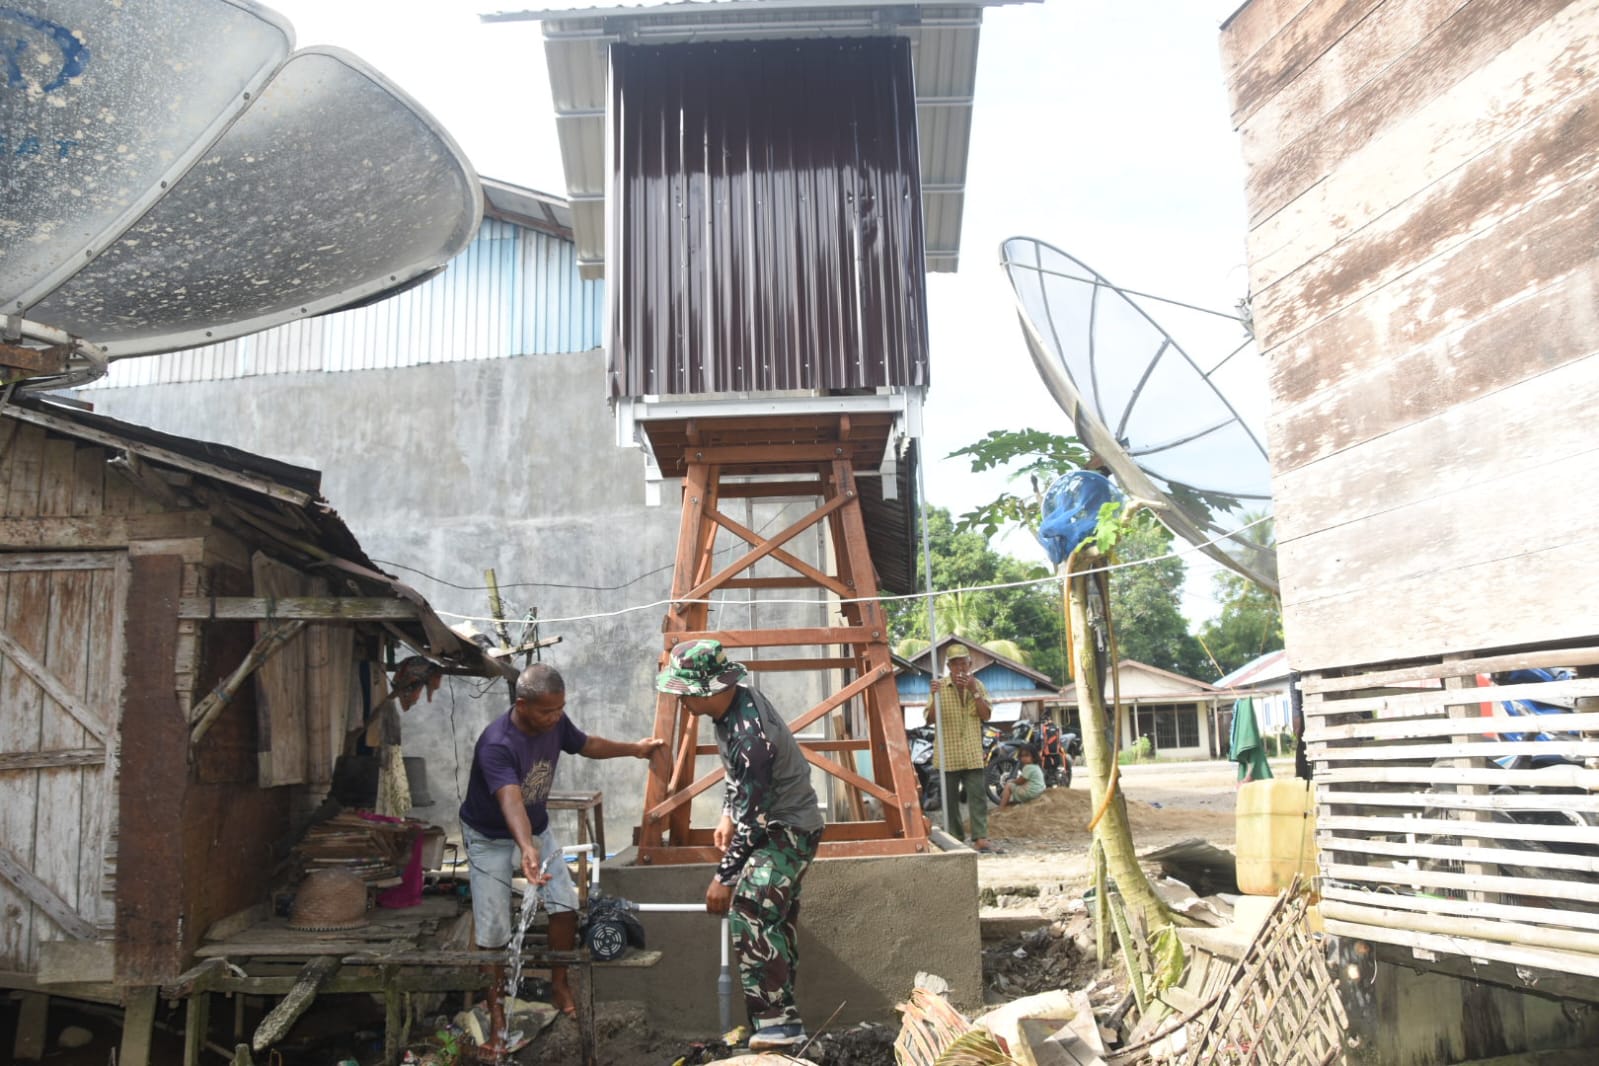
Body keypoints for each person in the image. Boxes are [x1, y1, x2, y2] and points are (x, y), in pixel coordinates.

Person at [458, 662, 663, 1055]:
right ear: (521, 705)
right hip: (488, 837)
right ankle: (497, 1011)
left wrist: (635, 750)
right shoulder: (497, 743)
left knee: (565, 904)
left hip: (535, 828)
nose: (555, 717)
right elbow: (511, 800)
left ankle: (559, 982)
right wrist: (527, 847)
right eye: (547, 711)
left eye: (560, 708)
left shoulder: (555, 722)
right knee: (494, 925)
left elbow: (587, 745)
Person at [656, 639, 824, 1053]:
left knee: (750, 909)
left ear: (709, 689)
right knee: (774, 919)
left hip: (787, 831)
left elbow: (755, 817)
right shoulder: (733, 708)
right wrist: (727, 813)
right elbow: (742, 788)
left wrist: (723, 878)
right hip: (773, 824)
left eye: (685, 693)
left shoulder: (750, 735)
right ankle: (778, 1021)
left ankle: (777, 1024)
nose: (682, 702)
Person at [923, 644, 996, 852]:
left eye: (964, 664)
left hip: (972, 752)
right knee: (950, 800)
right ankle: (955, 837)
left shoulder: (978, 685)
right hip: (948, 753)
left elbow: (986, 715)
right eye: (955, 664)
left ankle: (980, 837)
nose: (960, 669)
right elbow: (929, 719)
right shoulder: (938, 686)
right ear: (948, 666)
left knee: (978, 797)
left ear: (970, 665)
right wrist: (934, 696)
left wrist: (974, 691)